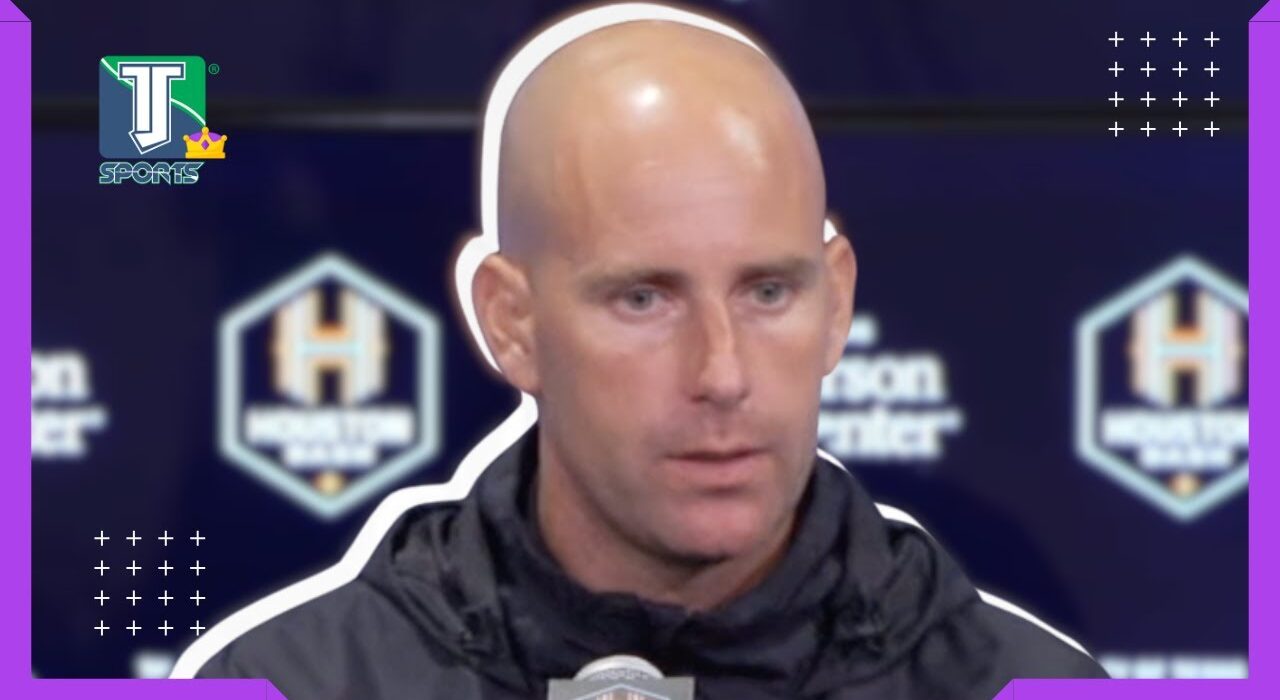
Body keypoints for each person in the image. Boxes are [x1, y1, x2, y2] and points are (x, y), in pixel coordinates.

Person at [182, 8, 1108, 698]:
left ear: (836, 303)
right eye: (643, 299)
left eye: (768, 292)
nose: (722, 374)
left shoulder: (1026, 688)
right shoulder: (282, 687)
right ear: (510, 321)